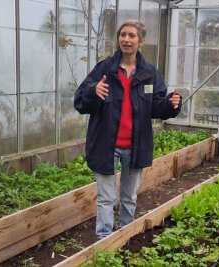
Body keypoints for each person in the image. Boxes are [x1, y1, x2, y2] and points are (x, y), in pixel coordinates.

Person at [74, 20, 182, 239]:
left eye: (132, 36)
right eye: (123, 35)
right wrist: (94, 91)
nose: (126, 39)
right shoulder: (104, 69)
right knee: (106, 197)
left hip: (135, 145)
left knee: (129, 196)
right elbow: (80, 102)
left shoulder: (149, 73)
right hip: (106, 144)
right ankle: (104, 241)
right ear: (118, 39)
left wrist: (171, 104)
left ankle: (125, 236)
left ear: (140, 41)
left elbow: (156, 106)